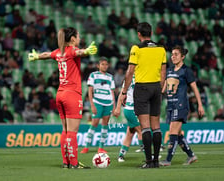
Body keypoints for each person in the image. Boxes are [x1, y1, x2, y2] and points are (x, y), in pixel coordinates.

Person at [28, 27, 97, 169]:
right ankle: (74, 163)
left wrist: (36, 56)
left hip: (60, 94)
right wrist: (86, 51)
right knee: (72, 132)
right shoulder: (72, 51)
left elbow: (47, 54)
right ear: (72, 39)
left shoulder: (59, 52)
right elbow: (79, 52)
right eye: (78, 36)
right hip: (72, 94)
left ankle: (66, 162)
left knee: (65, 130)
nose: (79, 38)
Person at [120, 22, 167, 168]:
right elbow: (163, 71)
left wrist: (123, 92)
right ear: (151, 33)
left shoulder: (136, 48)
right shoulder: (161, 48)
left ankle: (149, 161)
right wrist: (159, 87)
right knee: (156, 127)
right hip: (156, 87)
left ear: (139, 34)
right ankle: (157, 162)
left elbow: (130, 71)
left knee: (145, 127)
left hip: (142, 88)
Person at [160, 45, 205, 166]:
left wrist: (200, 105)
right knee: (178, 134)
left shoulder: (186, 70)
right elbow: (163, 89)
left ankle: (168, 160)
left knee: (172, 132)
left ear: (183, 56)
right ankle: (191, 156)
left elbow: (195, 88)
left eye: (176, 54)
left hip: (181, 104)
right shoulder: (169, 70)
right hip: (170, 105)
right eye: (172, 54)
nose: (173, 56)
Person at [80, 57, 115, 154]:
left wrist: (114, 105)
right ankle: (86, 146)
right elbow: (90, 91)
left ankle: (101, 147)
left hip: (108, 102)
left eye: (106, 64)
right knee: (94, 123)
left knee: (105, 125)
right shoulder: (93, 75)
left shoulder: (110, 77)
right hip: (97, 102)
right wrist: (92, 104)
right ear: (98, 66)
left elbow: (112, 92)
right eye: (102, 64)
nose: (105, 66)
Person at [114, 76, 143, 162]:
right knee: (141, 131)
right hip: (131, 109)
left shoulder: (131, 78)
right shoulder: (135, 78)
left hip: (133, 108)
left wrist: (118, 108)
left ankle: (121, 155)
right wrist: (118, 108)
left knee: (130, 133)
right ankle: (148, 155)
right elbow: (122, 93)